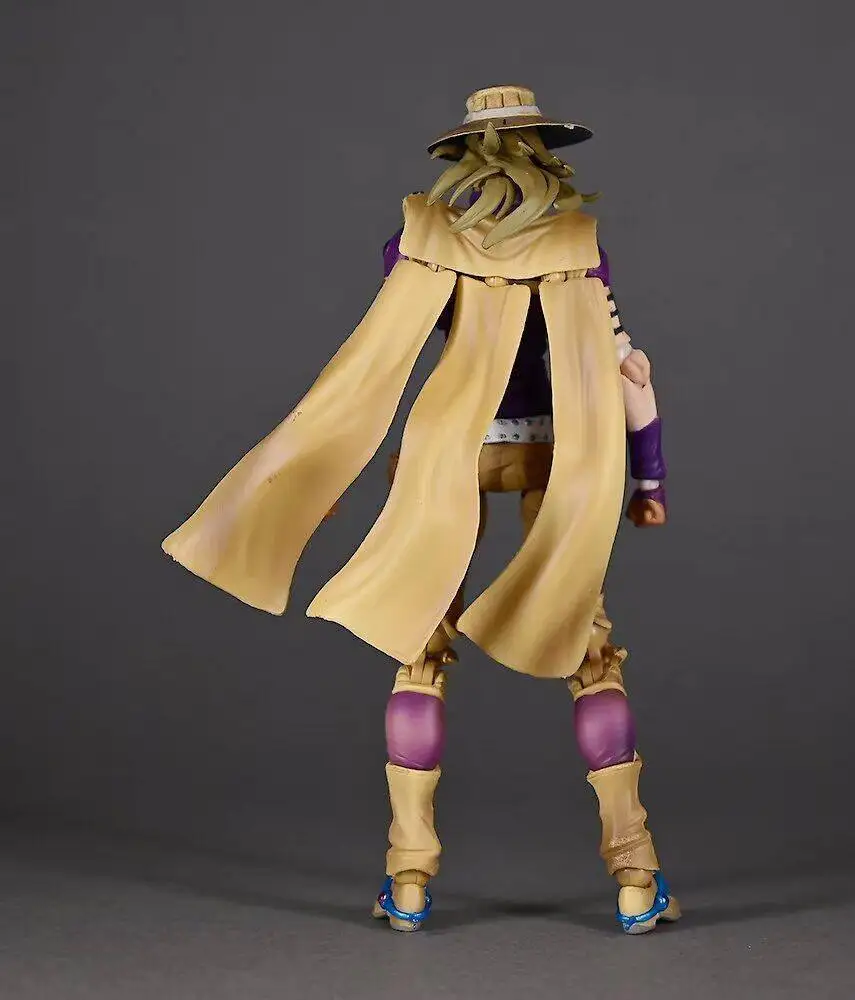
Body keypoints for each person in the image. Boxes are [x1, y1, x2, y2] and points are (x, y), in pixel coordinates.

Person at [162, 85, 679, 935]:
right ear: (544, 151)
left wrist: (317, 479)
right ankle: (634, 872)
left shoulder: (419, 242)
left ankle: (408, 876)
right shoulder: (580, 248)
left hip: (451, 448)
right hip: (564, 451)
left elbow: (370, 367)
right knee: (588, 651)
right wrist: (649, 482)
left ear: (467, 155)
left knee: (418, 651)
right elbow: (630, 374)